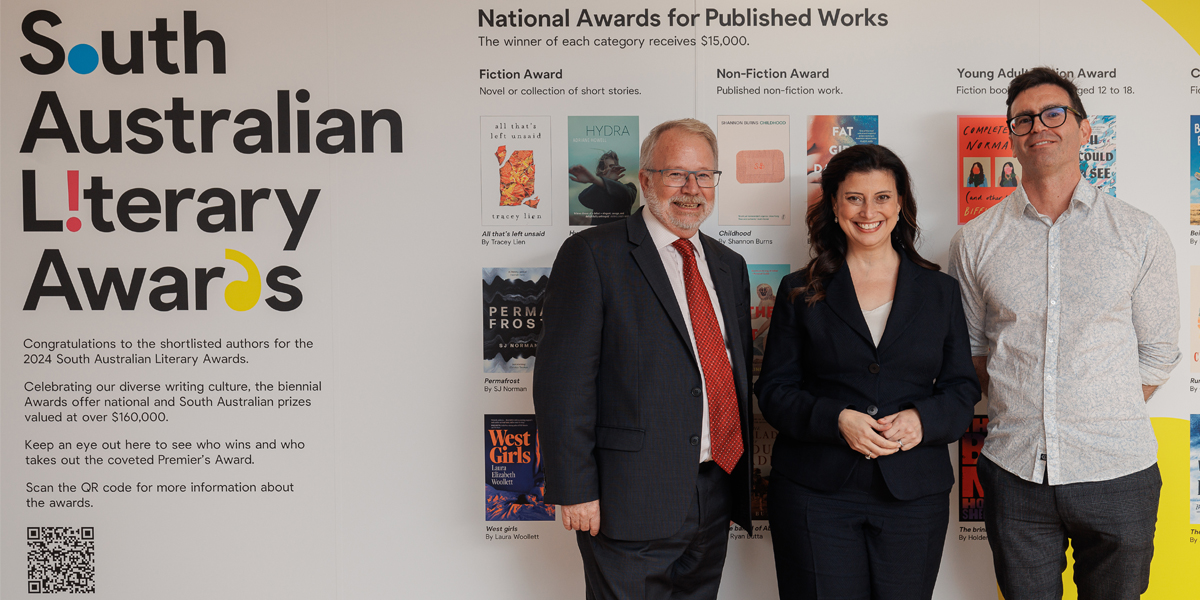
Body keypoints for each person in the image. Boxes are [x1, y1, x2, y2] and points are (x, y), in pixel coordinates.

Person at [948, 67, 1180, 600]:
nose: (1039, 127)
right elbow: (975, 347)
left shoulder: (1138, 233)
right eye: (1023, 119)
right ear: (1010, 135)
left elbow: (1160, 351)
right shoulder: (976, 240)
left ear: (1083, 128)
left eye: (1054, 113)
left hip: (1117, 468)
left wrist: (1096, 410)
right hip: (1016, 470)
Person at [534, 118, 754, 600]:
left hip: (714, 492)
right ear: (647, 179)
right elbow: (564, 384)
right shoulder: (592, 255)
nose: (692, 189)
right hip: (627, 499)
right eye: (676, 173)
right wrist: (573, 488)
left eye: (704, 176)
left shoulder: (728, 265)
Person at [757, 144, 980, 600]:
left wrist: (922, 419)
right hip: (814, 494)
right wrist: (835, 419)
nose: (868, 211)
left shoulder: (939, 291)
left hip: (913, 496)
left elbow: (962, 389)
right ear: (835, 205)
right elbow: (775, 390)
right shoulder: (800, 289)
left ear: (900, 204)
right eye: (854, 197)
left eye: (882, 197)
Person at [569, 151, 638, 225]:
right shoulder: (597, 190)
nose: (608, 169)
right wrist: (603, 180)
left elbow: (626, 194)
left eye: (611, 166)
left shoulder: (630, 187)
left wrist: (597, 180)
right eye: (605, 167)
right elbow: (583, 198)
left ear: (617, 168)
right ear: (601, 172)